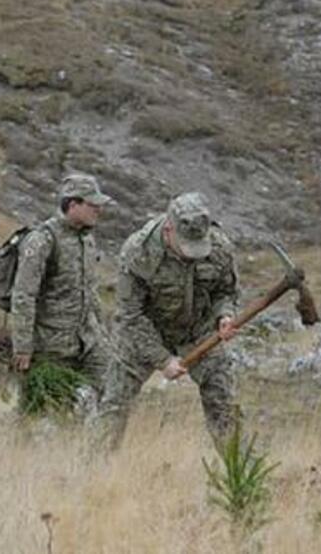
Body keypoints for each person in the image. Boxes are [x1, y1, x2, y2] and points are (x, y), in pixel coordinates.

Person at [95, 192, 240, 449]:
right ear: (168, 230)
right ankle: (91, 471)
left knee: (223, 403)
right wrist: (162, 359)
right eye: (186, 246)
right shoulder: (138, 252)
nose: (192, 254)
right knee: (113, 404)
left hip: (198, 331)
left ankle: (239, 475)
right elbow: (131, 315)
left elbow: (225, 291)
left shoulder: (219, 247)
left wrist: (224, 315)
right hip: (146, 331)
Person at [9, 174, 114, 403]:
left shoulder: (87, 240)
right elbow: (23, 296)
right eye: (92, 205)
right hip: (50, 347)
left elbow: (90, 291)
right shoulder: (42, 241)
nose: (98, 210)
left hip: (88, 341)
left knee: (110, 395)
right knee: (48, 411)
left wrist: (103, 334)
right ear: (73, 204)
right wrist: (23, 348)